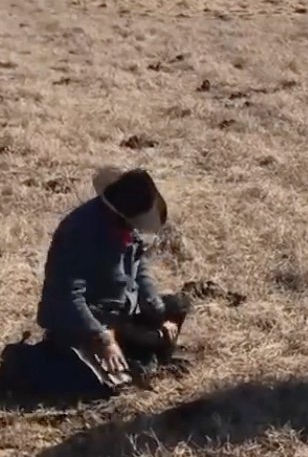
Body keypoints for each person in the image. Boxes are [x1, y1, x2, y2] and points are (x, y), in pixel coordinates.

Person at [0, 166, 191, 400]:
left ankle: (133, 355)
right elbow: (67, 296)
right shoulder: (80, 233)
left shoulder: (125, 225)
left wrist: (157, 312)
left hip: (120, 316)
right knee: (98, 389)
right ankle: (30, 362)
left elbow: (139, 267)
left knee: (177, 307)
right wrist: (102, 338)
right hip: (84, 325)